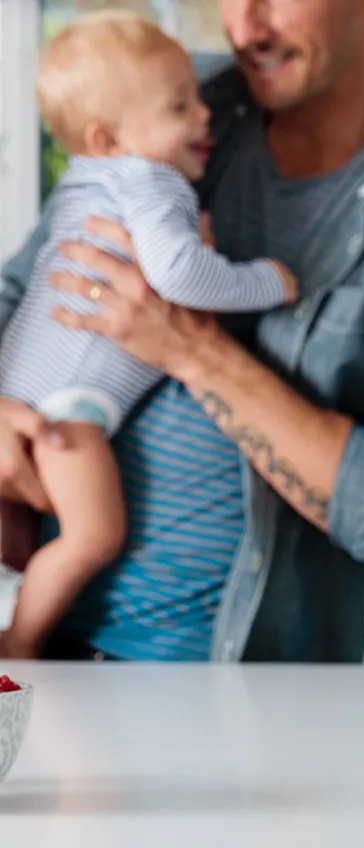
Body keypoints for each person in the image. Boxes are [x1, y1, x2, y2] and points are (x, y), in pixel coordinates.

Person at [0, 0, 364, 662]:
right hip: (47, 655)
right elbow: (22, 293)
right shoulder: (164, 105)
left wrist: (194, 350)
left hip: (241, 686)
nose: (246, 24)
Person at [0, 11, 300, 660]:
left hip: (26, 387)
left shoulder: (87, 177)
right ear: (108, 137)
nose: (203, 118)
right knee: (90, 539)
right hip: (67, 410)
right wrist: (266, 283)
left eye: (195, 98)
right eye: (178, 107)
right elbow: (180, 274)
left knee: (23, 545)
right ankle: (18, 647)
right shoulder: (148, 179)